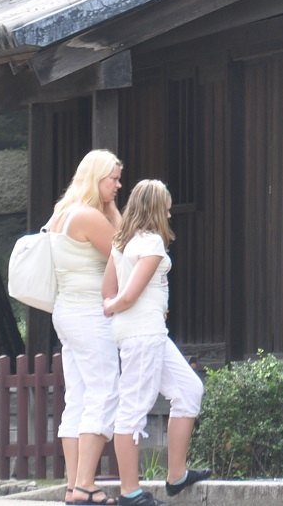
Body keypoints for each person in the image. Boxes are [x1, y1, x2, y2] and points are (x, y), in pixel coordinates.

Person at [104, 180, 209, 506]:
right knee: (133, 410)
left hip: (148, 333)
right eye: (166, 206)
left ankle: (176, 475)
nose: (169, 211)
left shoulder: (122, 243)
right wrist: (113, 307)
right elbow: (128, 294)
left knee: (190, 390)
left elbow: (109, 287)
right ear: (153, 208)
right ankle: (130, 493)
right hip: (142, 335)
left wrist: (115, 304)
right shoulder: (150, 244)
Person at [47, 149, 124, 506]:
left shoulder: (63, 213)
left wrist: (108, 208)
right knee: (105, 392)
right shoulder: (90, 216)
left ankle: (73, 486)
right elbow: (125, 253)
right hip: (91, 315)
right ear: (97, 179)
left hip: (66, 313)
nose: (118, 185)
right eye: (114, 179)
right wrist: (110, 211)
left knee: (76, 397)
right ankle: (85, 484)